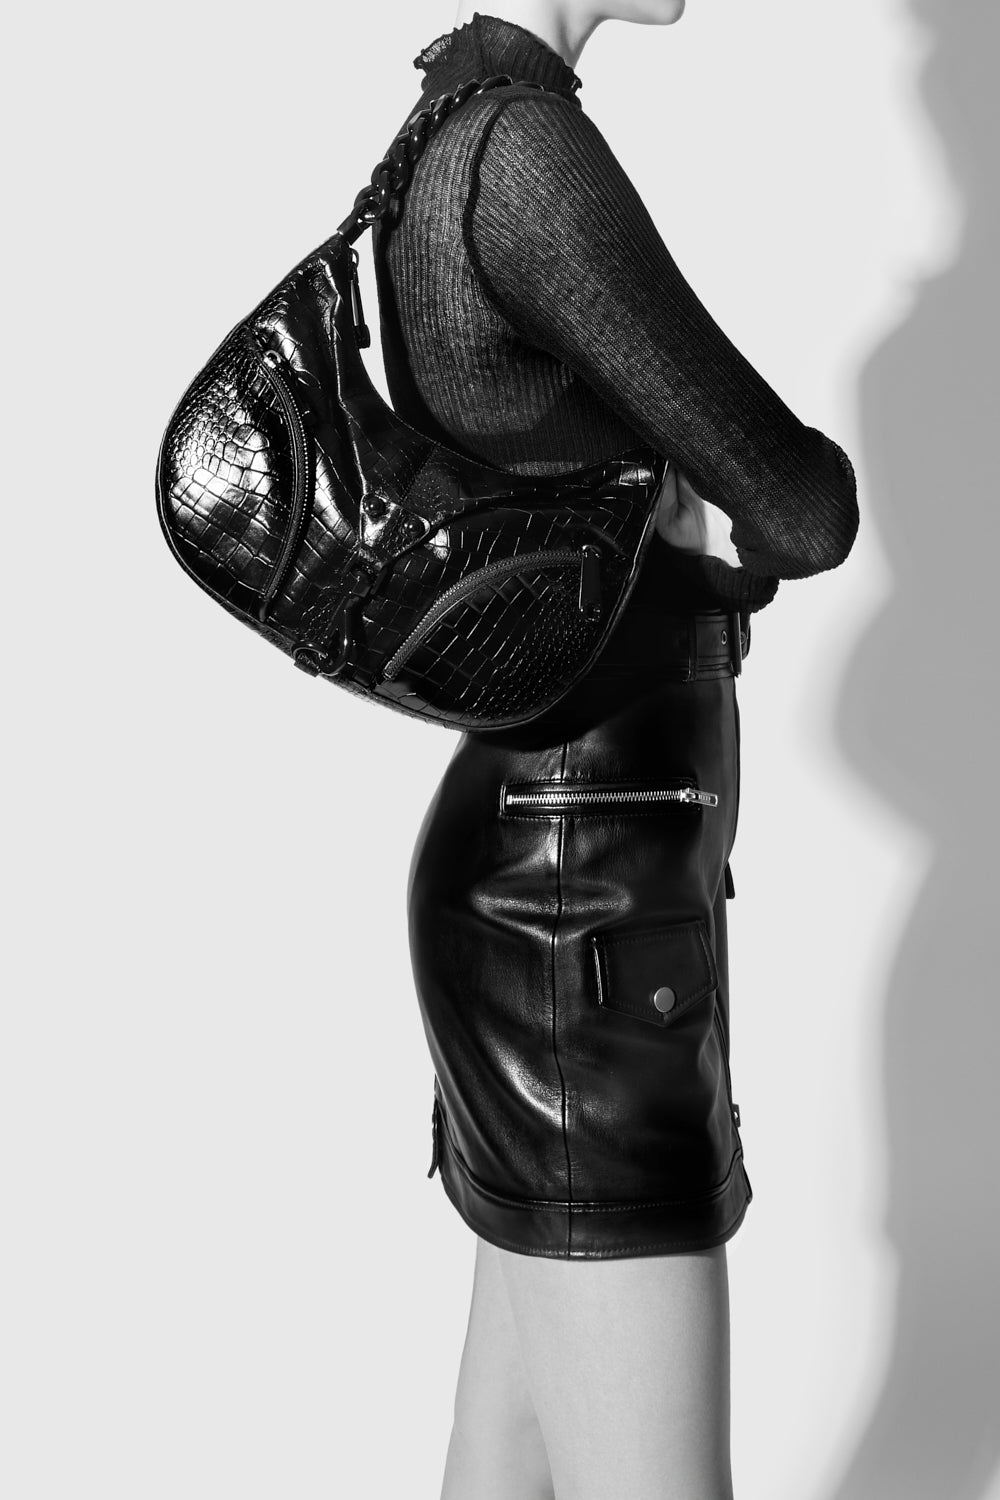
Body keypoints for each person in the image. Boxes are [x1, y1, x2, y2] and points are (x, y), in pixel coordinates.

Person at [372, 5, 860, 1497]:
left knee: (509, 1464)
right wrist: (721, 521)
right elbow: (802, 505)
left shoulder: (455, 133)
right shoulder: (522, 158)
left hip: (557, 882)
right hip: (576, 915)